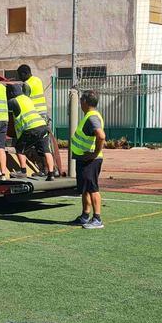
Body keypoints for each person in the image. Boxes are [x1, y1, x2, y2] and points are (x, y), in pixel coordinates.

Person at [70, 90, 107, 229]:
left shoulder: (92, 117)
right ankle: (85, 216)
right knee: (85, 188)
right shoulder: (90, 116)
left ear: (84, 102)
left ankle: (97, 219)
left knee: (92, 188)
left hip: (90, 160)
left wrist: (94, 153)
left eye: (81, 100)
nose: (80, 103)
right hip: (84, 158)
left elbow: (101, 136)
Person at [7, 83, 56, 180]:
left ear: (12, 93)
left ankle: (23, 171)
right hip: (42, 126)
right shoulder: (27, 98)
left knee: (19, 148)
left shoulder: (13, 101)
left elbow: (4, 107)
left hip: (30, 128)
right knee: (46, 151)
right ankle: (51, 173)